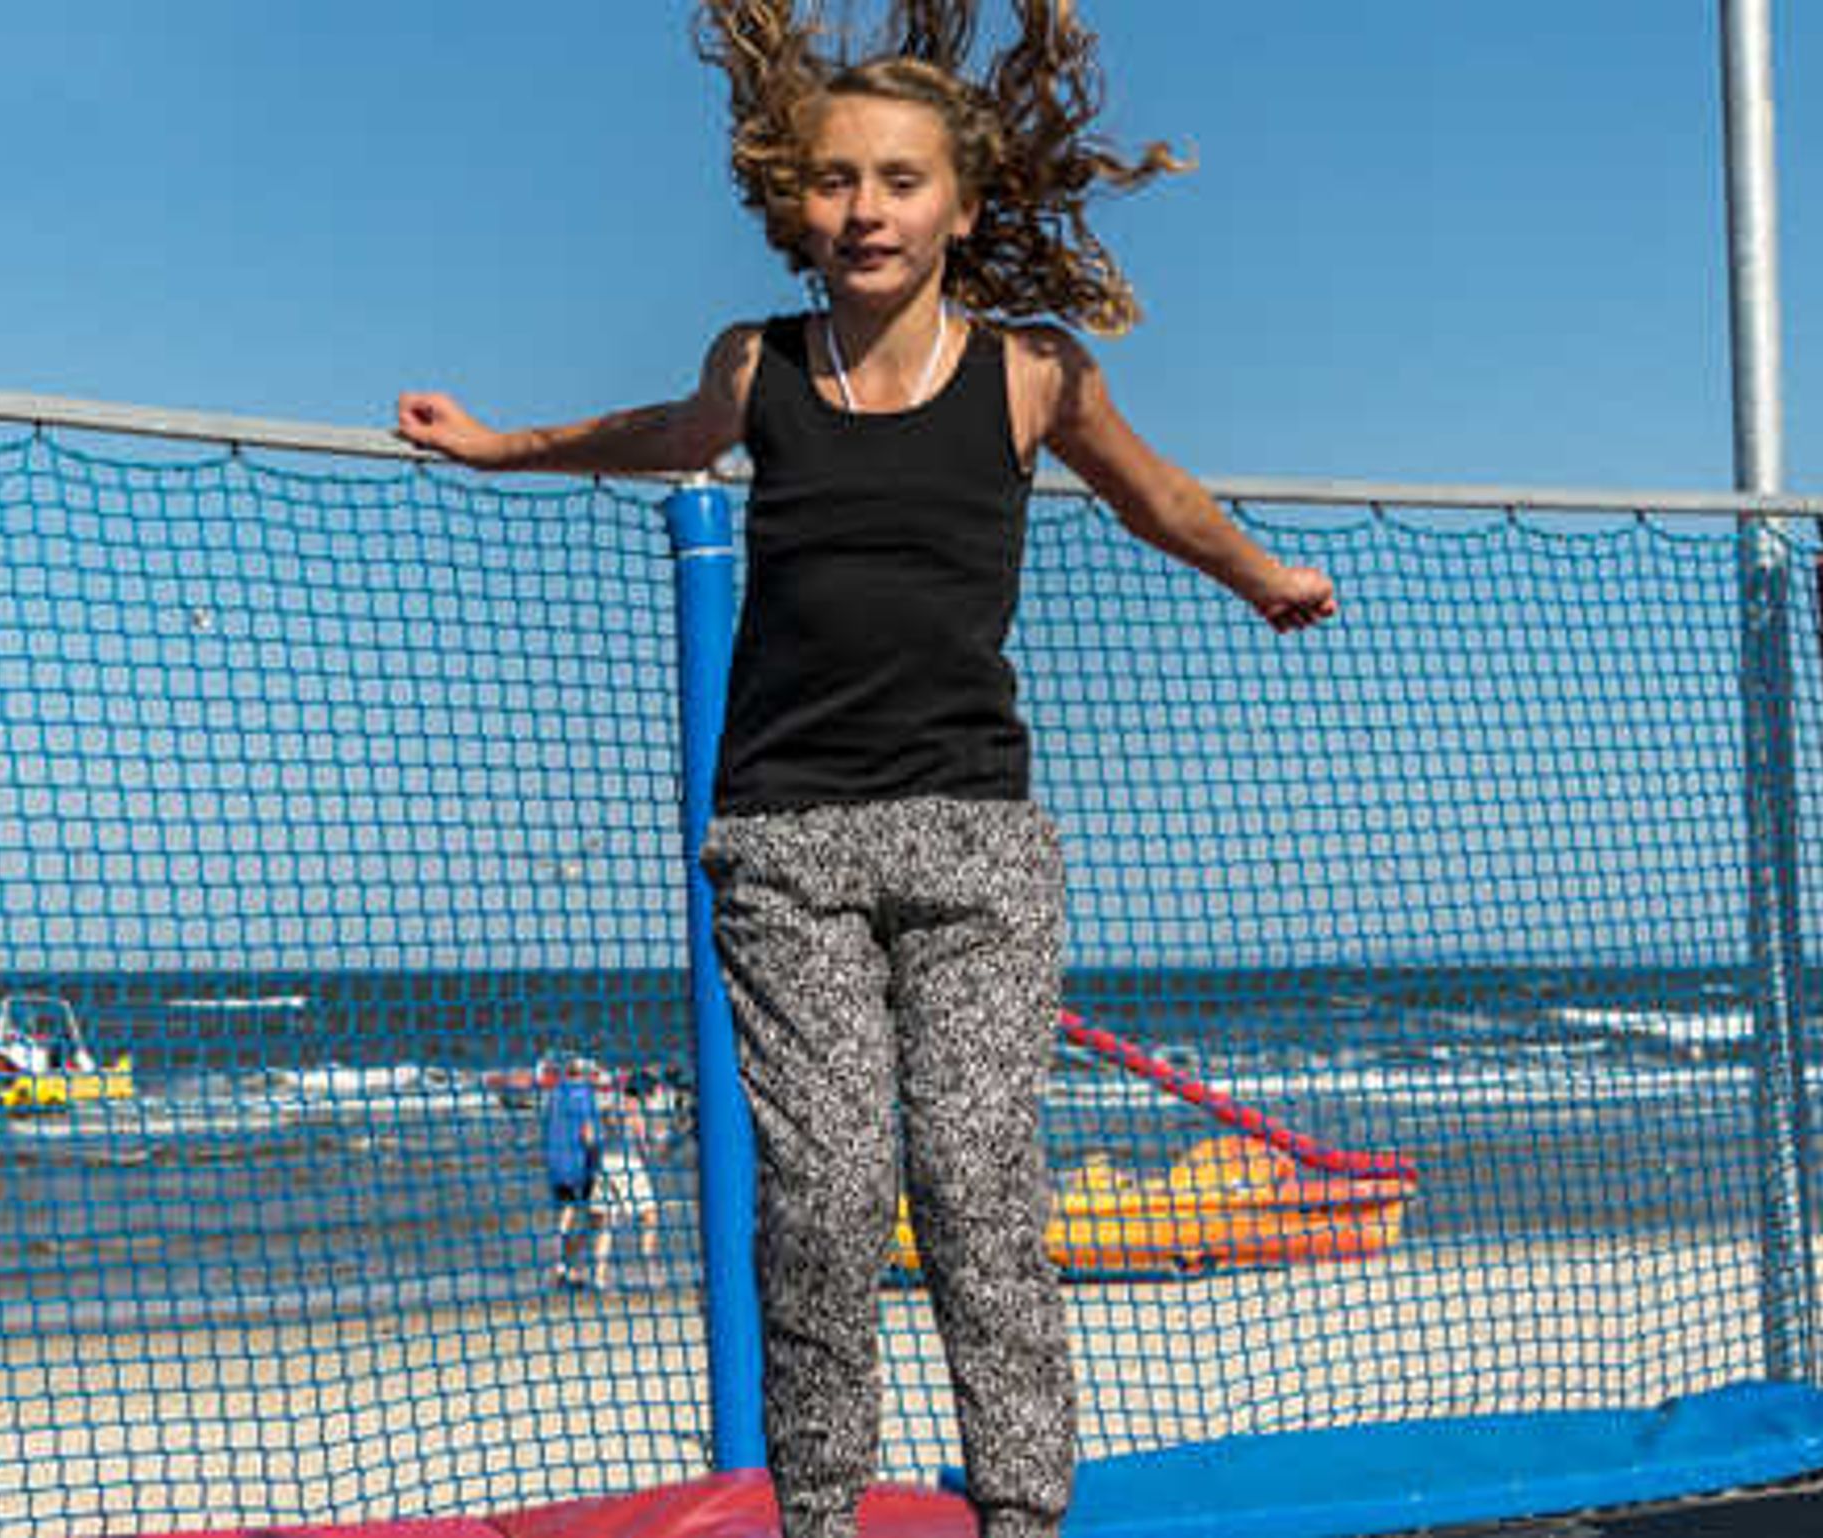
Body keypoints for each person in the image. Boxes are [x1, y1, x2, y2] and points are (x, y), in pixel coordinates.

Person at [397, 5, 1337, 1536]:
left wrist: (1260, 575)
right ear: (796, 202)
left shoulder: (1034, 377)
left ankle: (1025, 1511)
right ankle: (820, 1512)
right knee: (827, 1195)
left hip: (975, 844)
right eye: (835, 181)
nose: (865, 209)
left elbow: (1160, 497)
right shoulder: (759, 364)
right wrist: (503, 446)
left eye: (899, 180)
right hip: (786, 843)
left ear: (962, 203)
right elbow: (660, 431)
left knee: (976, 1190)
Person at [589, 1072, 663, 1290]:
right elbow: (644, 1147)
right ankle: (649, 1267)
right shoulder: (635, 1110)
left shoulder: (612, 1105)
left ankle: (598, 1277)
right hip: (627, 1166)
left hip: (604, 1164)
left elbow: (598, 1131)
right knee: (650, 1215)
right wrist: (659, 1145)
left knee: (606, 1224)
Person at [540, 1057, 601, 1286]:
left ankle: (562, 1266)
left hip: (555, 1161)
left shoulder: (557, 1093)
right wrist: (596, 1156)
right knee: (590, 1216)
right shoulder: (583, 1094)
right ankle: (570, 1265)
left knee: (565, 1215)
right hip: (578, 1163)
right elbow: (588, 1133)